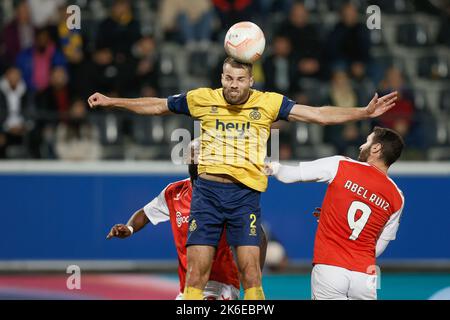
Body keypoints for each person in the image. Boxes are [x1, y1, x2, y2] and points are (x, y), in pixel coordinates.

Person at [88, 56, 398, 300]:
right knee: (196, 274)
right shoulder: (201, 99)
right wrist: (113, 101)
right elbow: (157, 106)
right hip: (206, 195)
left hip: (244, 196)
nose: (234, 85)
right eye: (228, 78)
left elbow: (316, 114)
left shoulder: (268, 103)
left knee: (251, 274)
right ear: (221, 78)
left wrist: (362, 113)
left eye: (240, 79)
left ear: (251, 80)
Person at [106, 141, 267, 299]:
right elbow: (145, 214)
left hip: (219, 285)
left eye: (198, 157)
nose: (194, 162)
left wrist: (252, 283)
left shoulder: (227, 194)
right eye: (192, 158)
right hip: (188, 287)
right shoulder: (174, 192)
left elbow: (259, 236)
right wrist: (130, 228)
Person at [266, 127, 405, 300]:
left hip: (330, 267)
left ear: (376, 148)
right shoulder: (397, 196)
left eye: (367, 141)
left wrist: (270, 166)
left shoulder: (341, 164)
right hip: (366, 275)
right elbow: (379, 245)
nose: (362, 146)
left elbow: (289, 175)